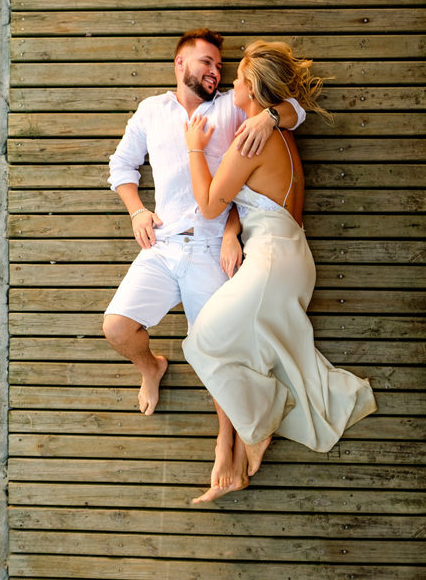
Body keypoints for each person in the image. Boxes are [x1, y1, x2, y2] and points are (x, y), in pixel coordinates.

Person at [103, 29, 306, 493]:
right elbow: (121, 166)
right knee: (116, 328)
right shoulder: (152, 111)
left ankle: (224, 445)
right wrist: (136, 208)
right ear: (180, 65)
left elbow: (299, 112)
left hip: (213, 246)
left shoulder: (235, 104)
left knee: (217, 349)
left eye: (219, 65)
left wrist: (270, 117)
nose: (216, 71)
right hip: (162, 242)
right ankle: (151, 367)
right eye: (207, 63)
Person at [183, 40, 377, 503]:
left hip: (271, 261)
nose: (231, 83)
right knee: (254, 347)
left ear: (251, 88)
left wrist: (194, 149)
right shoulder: (281, 131)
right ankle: (245, 438)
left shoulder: (253, 138)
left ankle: (258, 425)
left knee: (205, 340)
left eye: (238, 79)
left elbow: (210, 204)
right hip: (291, 257)